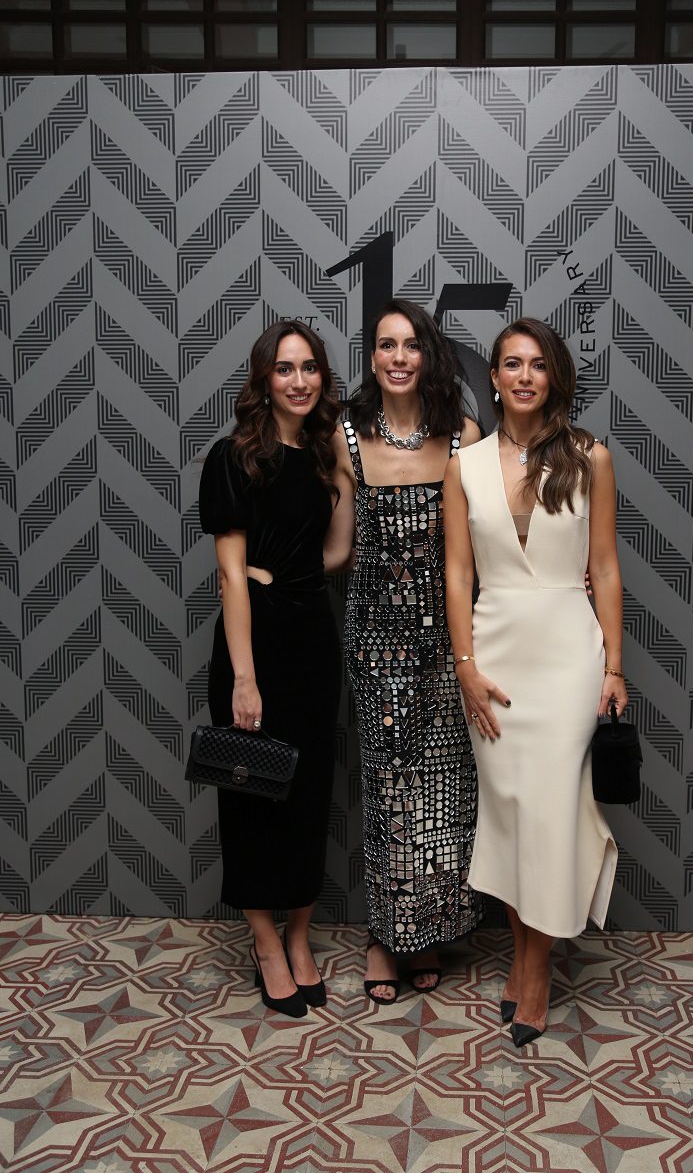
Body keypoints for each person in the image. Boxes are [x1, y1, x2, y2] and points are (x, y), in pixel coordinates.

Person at [443, 317, 626, 1046]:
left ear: (554, 378)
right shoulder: (465, 464)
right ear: (492, 378)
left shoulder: (590, 457)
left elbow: (604, 568)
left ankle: (537, 967)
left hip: (567, 656)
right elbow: (458, 575)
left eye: (538, 364)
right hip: (493, 655)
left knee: (549, 813)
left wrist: (614, 666)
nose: (525, 376)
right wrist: (465, 667)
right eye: (512, 364)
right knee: (513, 815)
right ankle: (523, 956)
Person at [327, 298, 482, 1003]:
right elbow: (339, 548)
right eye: (386, 345)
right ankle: (386, 938)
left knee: (445, 786)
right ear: (372, 358)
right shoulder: (347, 436)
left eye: (410, 345)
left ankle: (431, 931)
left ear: (428, 356)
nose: (398, 357)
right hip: (376, 638)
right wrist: (264, 572)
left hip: (448, 636)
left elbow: (475, 550)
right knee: (391, 787)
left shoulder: (462, 436)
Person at [199, 320, 353, 1018]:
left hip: (312, 639)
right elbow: (231, 576)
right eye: (285, 368)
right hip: (252, 643)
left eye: (310, 367)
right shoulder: (234, 457)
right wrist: (244, 677)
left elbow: (338, 552)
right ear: (264, 379)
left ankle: (299, 936)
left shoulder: (322, 455)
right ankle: (265, 942)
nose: (299, 380)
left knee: (309, 792)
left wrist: (341, 467)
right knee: (252, 794)